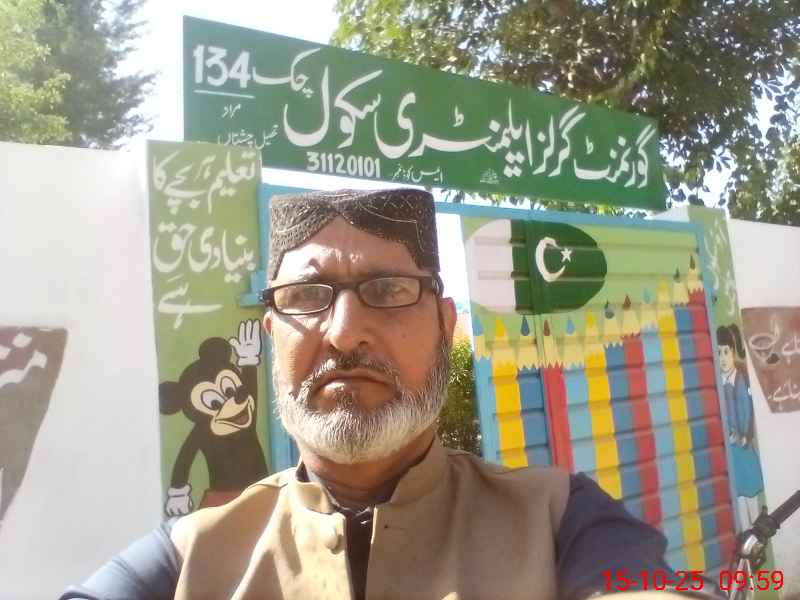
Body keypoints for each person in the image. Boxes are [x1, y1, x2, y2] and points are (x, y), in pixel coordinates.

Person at [62, 188, 679, 600]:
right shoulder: (187, 557)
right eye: (307, 297)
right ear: (272, 335)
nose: (343, 331)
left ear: (445, 326)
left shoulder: (560, 519)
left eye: (387, 290)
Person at [716, 324, 764, 529]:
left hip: (743, 449)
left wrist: (744, 435)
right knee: (739, 497)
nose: (722, 358)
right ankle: (747, 536)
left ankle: (758, 534)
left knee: (750, 494)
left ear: (734, 351)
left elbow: (747, 412)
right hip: (732, 452)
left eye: (726, 352)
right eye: (718, 352)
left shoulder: (742, 380)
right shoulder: (720, 383)